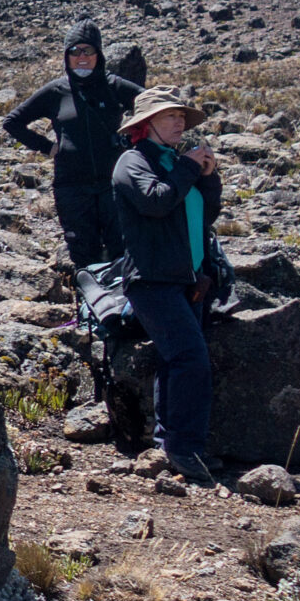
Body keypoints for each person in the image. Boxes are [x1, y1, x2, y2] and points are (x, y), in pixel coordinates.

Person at [111, 88, 225, 487]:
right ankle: (185, 449)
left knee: (174, 361)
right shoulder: (132, 162)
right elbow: (155, 202)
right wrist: (190, 170)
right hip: (152, 281)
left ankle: (168, 444)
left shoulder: (176, 162)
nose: (180, 122)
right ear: (146, 124)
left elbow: (205, 213)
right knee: (190, 359)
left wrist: (207, 177)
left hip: (187, 280)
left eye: (182, 116)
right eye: (170, 115)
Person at [1, 22, 143, 268]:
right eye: (74, 51)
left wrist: (133, 140)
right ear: (67, 56)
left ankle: (124, 303)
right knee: (83, 254)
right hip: (72, 188)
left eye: (88, 50)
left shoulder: (114, 86)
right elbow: (12, 121)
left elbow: (155, 107)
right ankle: (89, 302)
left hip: (113, 184)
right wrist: (48, 147)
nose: (82, 57)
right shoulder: (57, 90)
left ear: (99, 54)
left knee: (123, 251)